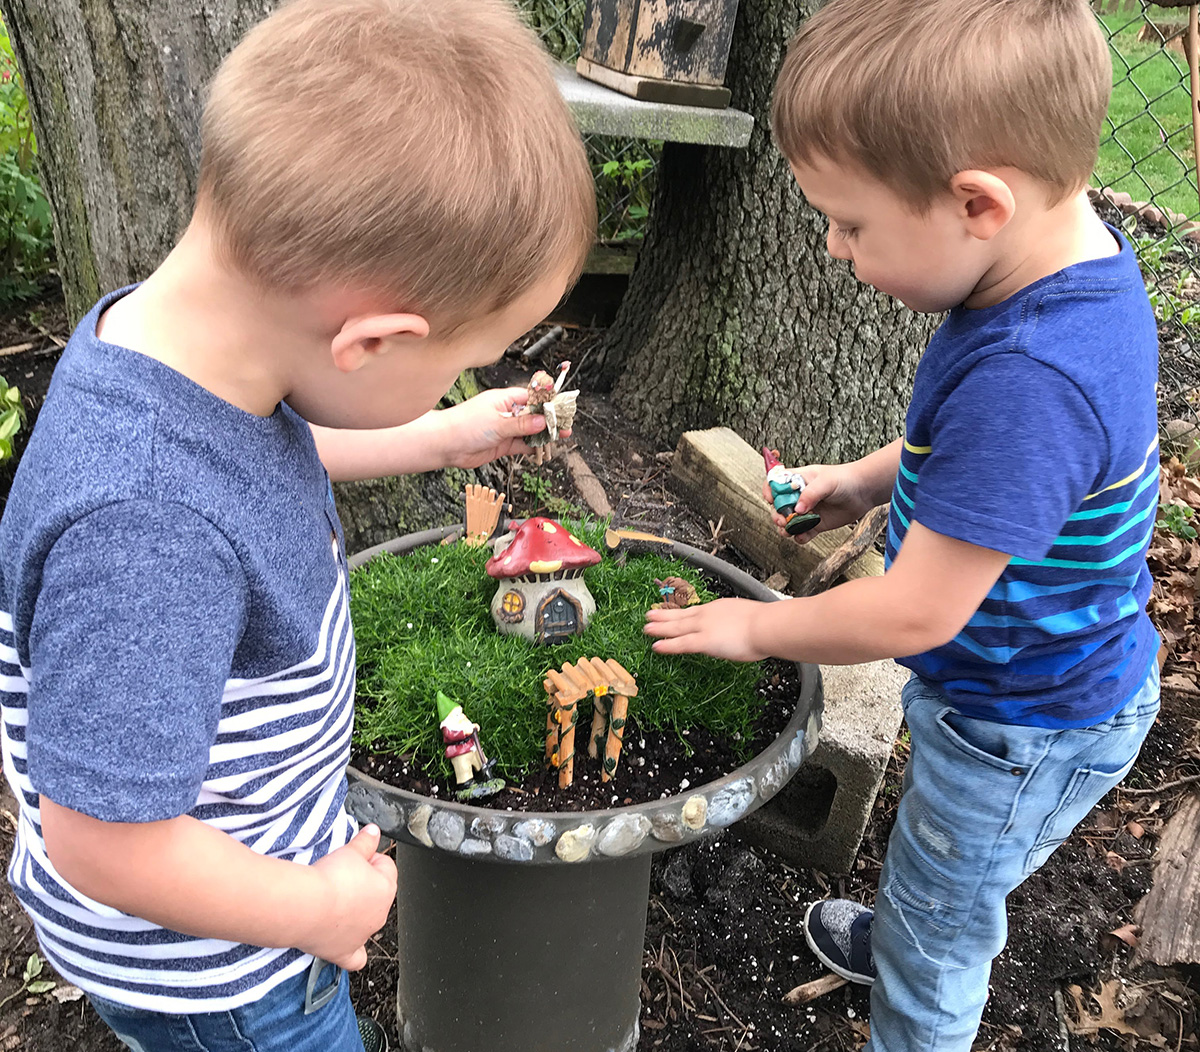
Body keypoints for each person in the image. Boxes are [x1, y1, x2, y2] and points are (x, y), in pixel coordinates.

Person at [0, 1, 594, 1049]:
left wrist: (430, 433)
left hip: (242, 877)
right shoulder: (145, 530)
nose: (453, 382)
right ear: (367, 341)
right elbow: (102, 841)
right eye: (452, 361)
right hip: (219, 969)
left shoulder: (187, 349)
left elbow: (254, 461)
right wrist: (315, 909)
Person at [644, 1, 1160, 1049]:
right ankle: (916, 915)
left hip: (1020, 722)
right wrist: (866, 482)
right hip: (1021, 687)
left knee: (943, 930)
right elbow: (961, 456)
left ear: (976, 202)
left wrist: (754, 627)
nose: (833, 250)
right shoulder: (1051, 277)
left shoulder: (1033, 379)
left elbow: (918, 610)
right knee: (946, 870)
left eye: (851, 223)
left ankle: (913, 978)